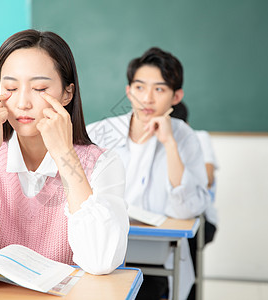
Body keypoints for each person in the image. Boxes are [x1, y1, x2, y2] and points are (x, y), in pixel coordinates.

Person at [0, 29, 129, 275]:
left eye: (39, 88)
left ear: (67, 93)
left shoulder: (102, 163)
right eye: (10, 88)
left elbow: (101, 260)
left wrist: (64, 153)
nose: (23, 103)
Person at [87, 47, 210, 299]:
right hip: (100, 247)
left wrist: (169, 144)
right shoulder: (100, 132)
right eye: (140, 87)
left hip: (154, 253)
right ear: (128, 91)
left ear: (176, 97)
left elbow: (188, 209)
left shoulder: (184, 137)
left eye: (160, 89)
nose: (148, 99)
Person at [171, 101, 218, 300]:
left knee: (184, 260)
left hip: (200, 221)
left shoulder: (199, 138)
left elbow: (206, 179)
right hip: (166, 221)